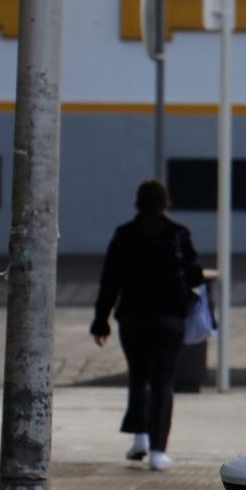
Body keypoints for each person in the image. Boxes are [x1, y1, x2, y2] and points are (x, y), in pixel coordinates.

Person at [91, 179, 204, 470]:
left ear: (137, 203)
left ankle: (140, 437)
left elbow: (109, 280)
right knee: (163, 381)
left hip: (133, 319)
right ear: (166, 203)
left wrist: (100, 320)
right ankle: (157, 451)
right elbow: (195, 275)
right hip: (169, 320)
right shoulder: (178, 235)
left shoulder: (124, 235)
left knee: (138, 376)